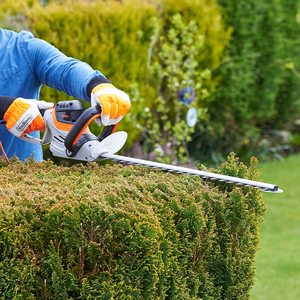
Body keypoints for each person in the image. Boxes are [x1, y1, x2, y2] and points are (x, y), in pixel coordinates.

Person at [0, 28, 131, 161]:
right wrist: (5, 107)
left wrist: (98, 85)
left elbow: (65, 68)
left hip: (25, 174)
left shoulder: (21, 48)